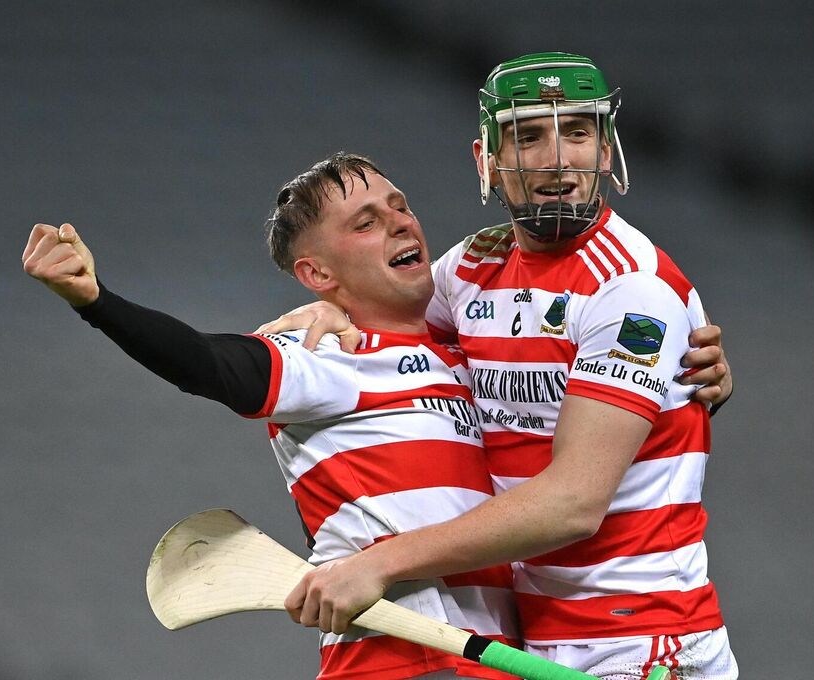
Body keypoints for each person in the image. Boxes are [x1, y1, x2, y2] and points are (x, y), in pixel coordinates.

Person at [267, 53, 738, 679]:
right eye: (527, 136)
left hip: (643, 640)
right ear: (486, 160)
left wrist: (380, 561)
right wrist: (325, 311)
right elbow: (384, 316)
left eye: (577, 131)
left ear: (606, 150)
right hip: (535, 642)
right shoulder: (469, 272)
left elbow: (572, 504)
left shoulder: (632, 290)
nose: (557, 159)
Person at [21, 154, 523, 680]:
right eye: (366, 222)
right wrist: (97, 301)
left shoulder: (465, 356)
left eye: (400, 206)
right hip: (403, 663)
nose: (400, 221)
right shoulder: (326, 354)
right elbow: (205, 362)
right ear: (316, 272)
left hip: (494, 658)